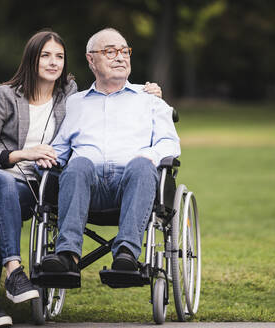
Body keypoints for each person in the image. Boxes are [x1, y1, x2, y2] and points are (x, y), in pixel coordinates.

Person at [0, 29, 162, 328]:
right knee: (0, 184)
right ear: (31, 59)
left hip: (24, 188)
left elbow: (101, 109)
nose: (53, 62)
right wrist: (24, 154)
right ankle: (14, 271)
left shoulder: (70, 97)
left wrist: (149, 91)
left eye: (59, 56)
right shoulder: (5, 95)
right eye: (45, 56)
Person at [40, 28, 180, 280]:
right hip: (86, 188)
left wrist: (150, 155)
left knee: (141, 165)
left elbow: (169, 143)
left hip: (133, 185)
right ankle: (67, 256)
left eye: (125, 51)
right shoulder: (76, 103)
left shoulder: (150, 100)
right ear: (91, 60)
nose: (120, 57)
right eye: (110, 51)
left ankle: (126, 253)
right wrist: (46, 156)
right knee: (78, 163)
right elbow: (60, 148)